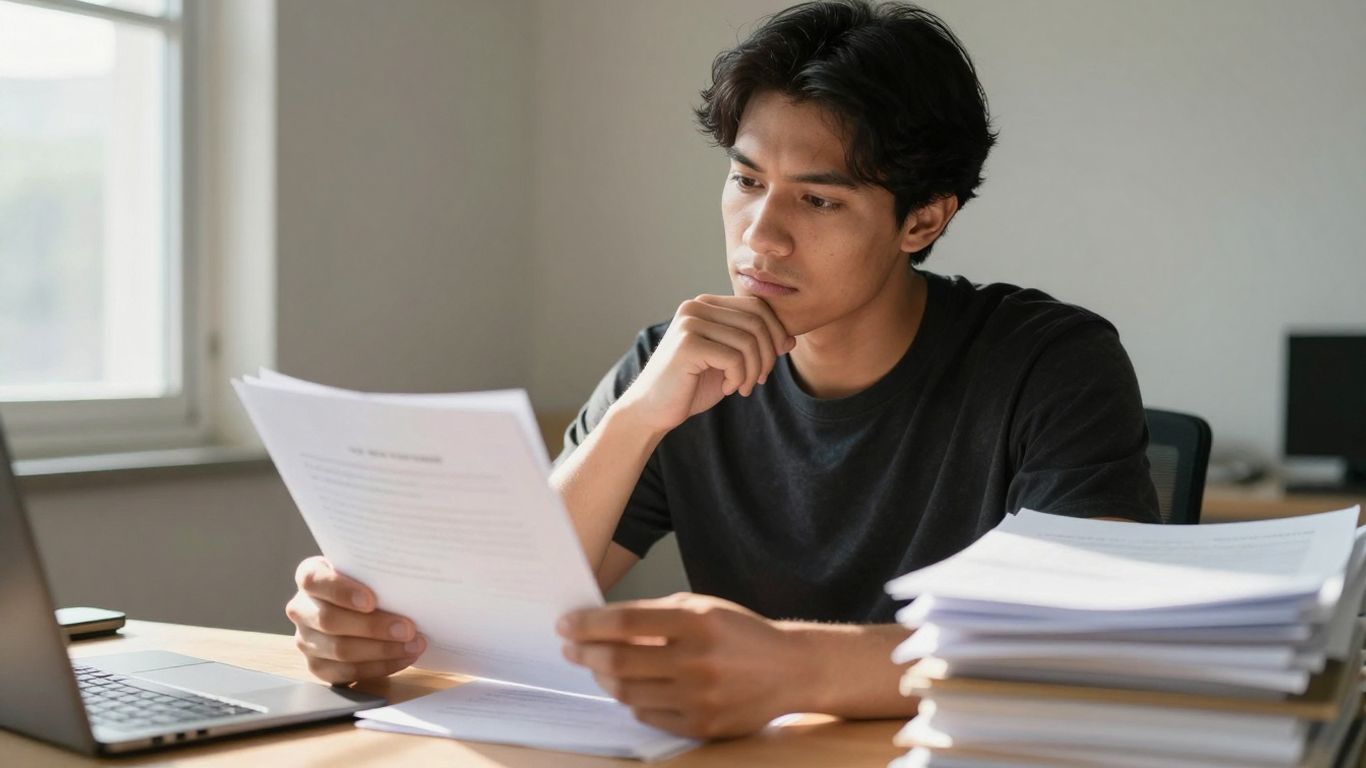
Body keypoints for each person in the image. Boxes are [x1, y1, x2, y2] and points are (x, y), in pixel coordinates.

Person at [285, 0, 1160, 741]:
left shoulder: (1050, 363)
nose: (760, 236)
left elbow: (1082, 643)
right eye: (747, 181)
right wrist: (377, 634)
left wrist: (796, 667)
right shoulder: (672, 360)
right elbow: (506, 613)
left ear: (922, 222)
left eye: (817, 199)